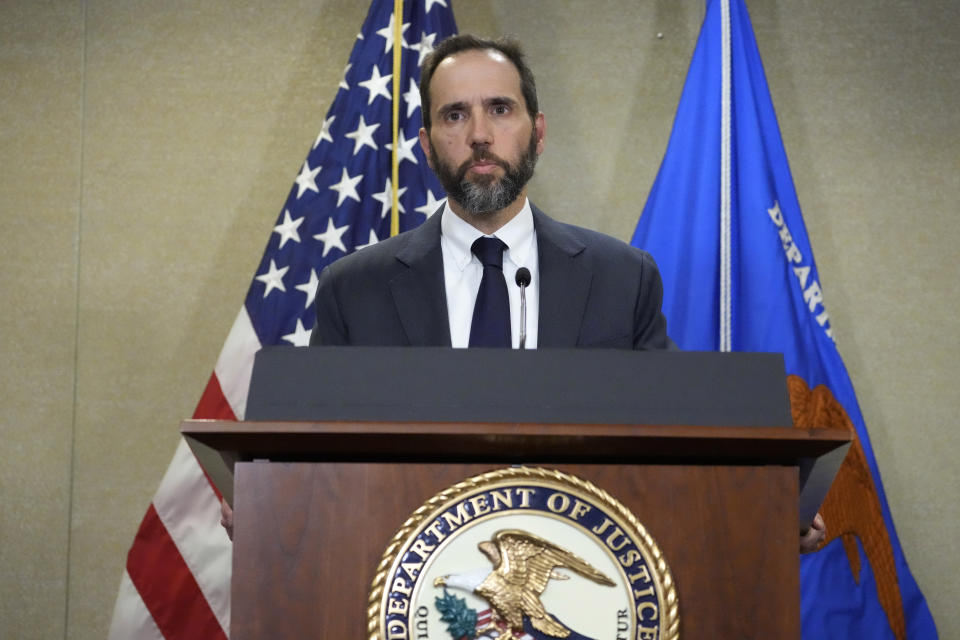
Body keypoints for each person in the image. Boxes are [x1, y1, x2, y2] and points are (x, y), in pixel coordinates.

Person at [224, 34, 826, 552]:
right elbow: (316, 449)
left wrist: (766, 506)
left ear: (537, 133)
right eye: (455, 115)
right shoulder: (354, 287)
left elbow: (670, 442)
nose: (480, 134)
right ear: (428, 144)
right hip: (402, 574)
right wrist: (269, 497)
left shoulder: (622, 277)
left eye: (500, 109)